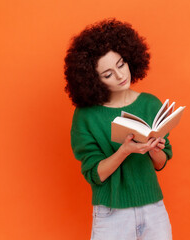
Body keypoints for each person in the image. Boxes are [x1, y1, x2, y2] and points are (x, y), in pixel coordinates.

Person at [64, 18, 173, 240]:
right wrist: (124, 150)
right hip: (112, 214)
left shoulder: (150, 104)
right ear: (94, 80)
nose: (121, 75)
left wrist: (154, 148)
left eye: (121, 64)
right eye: (108, 74)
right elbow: (95, 174)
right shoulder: (86, 116)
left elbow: (161, 163)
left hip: (153, 209)